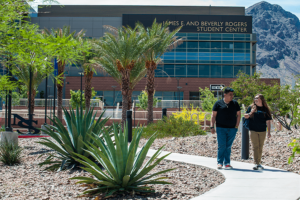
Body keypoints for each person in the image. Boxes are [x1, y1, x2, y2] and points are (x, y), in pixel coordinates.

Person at [211, 87, 241, 170]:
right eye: (230, 95)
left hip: (232, 128)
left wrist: (236, 126)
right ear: (225, 94)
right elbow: (213, 116)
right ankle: (220, 162)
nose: (232, 96)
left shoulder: (235, 104)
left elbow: (239, 114)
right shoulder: (218, 103)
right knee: (221, 145)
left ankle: (227, 163)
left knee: (228, 146)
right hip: (221, 128)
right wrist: (212, 126)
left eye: (232, 95)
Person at [244, 94, 272, 170]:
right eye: (255, 98)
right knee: (255, 146)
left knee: (260, 147)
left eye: (257, 98)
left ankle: (259, 162)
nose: (255, 99)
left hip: (262, 130)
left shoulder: (266, 109)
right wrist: (251, 112)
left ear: (261, 99)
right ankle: (257, 163)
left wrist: (269, 132)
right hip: (253, 130)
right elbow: (245, 116)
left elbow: (268, 121)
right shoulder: (251, 107)